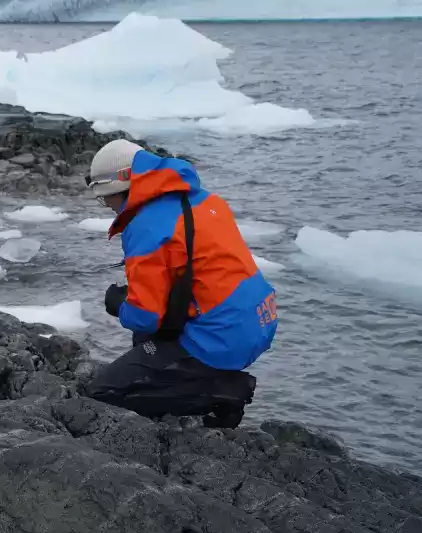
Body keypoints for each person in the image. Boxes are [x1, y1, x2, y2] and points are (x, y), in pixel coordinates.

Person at [84, 139, 277, 427]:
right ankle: (201, 379)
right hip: (259, 320)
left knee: (101, 394)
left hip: (220, 337)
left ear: (121, 188)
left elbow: (145, 318)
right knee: (146, 343)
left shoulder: (146, 227)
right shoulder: (207, 201)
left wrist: (119, 305)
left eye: (106, 198)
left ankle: (222, 392)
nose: (108, 206)